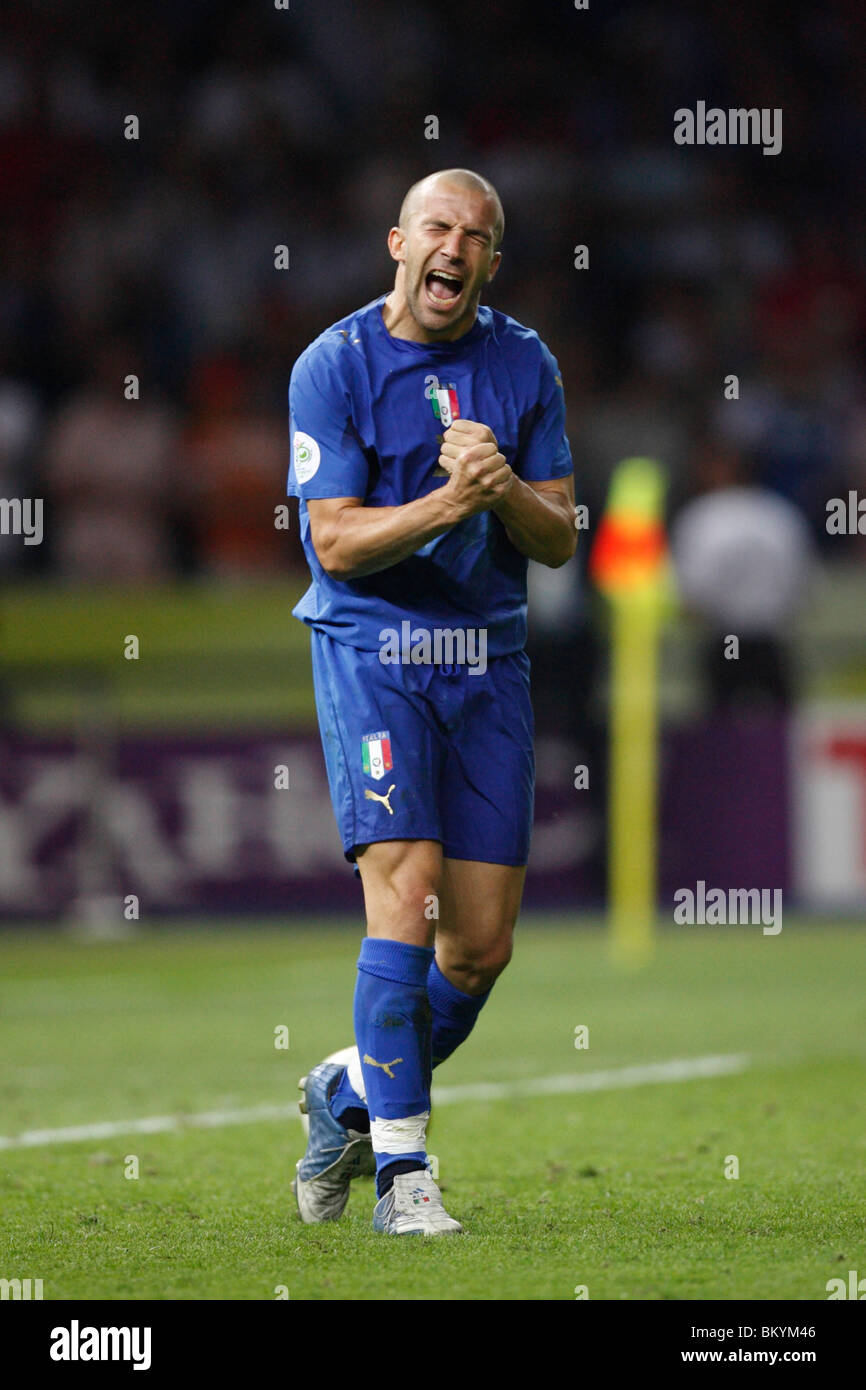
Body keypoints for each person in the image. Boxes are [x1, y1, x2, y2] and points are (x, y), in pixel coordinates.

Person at [287, 169, 576, 1236]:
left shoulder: (524, 361)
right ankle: (404, 1177)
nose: (455, 246)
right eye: (438, 228)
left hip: (487, 661)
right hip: (373, 652)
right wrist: (451, 502)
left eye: (477, 236)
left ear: (491, 261)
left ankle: (347, 1090)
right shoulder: (334, 364)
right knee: (405, 895)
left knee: (477, 948)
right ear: (398, 244)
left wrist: (503, 492)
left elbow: (559, 535)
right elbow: (333, 541)